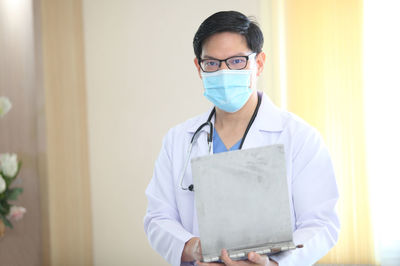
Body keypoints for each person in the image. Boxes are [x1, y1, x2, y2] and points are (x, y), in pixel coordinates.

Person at [144, 11, 340, 266]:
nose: (224, 72)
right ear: (198, 67)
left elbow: (321, 224)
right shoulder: (179, 140)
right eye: (212, 63)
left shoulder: (299, 137)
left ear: (258, 63)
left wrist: (274, 264)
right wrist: (194, 248)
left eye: (236, 61)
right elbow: (157, 218)